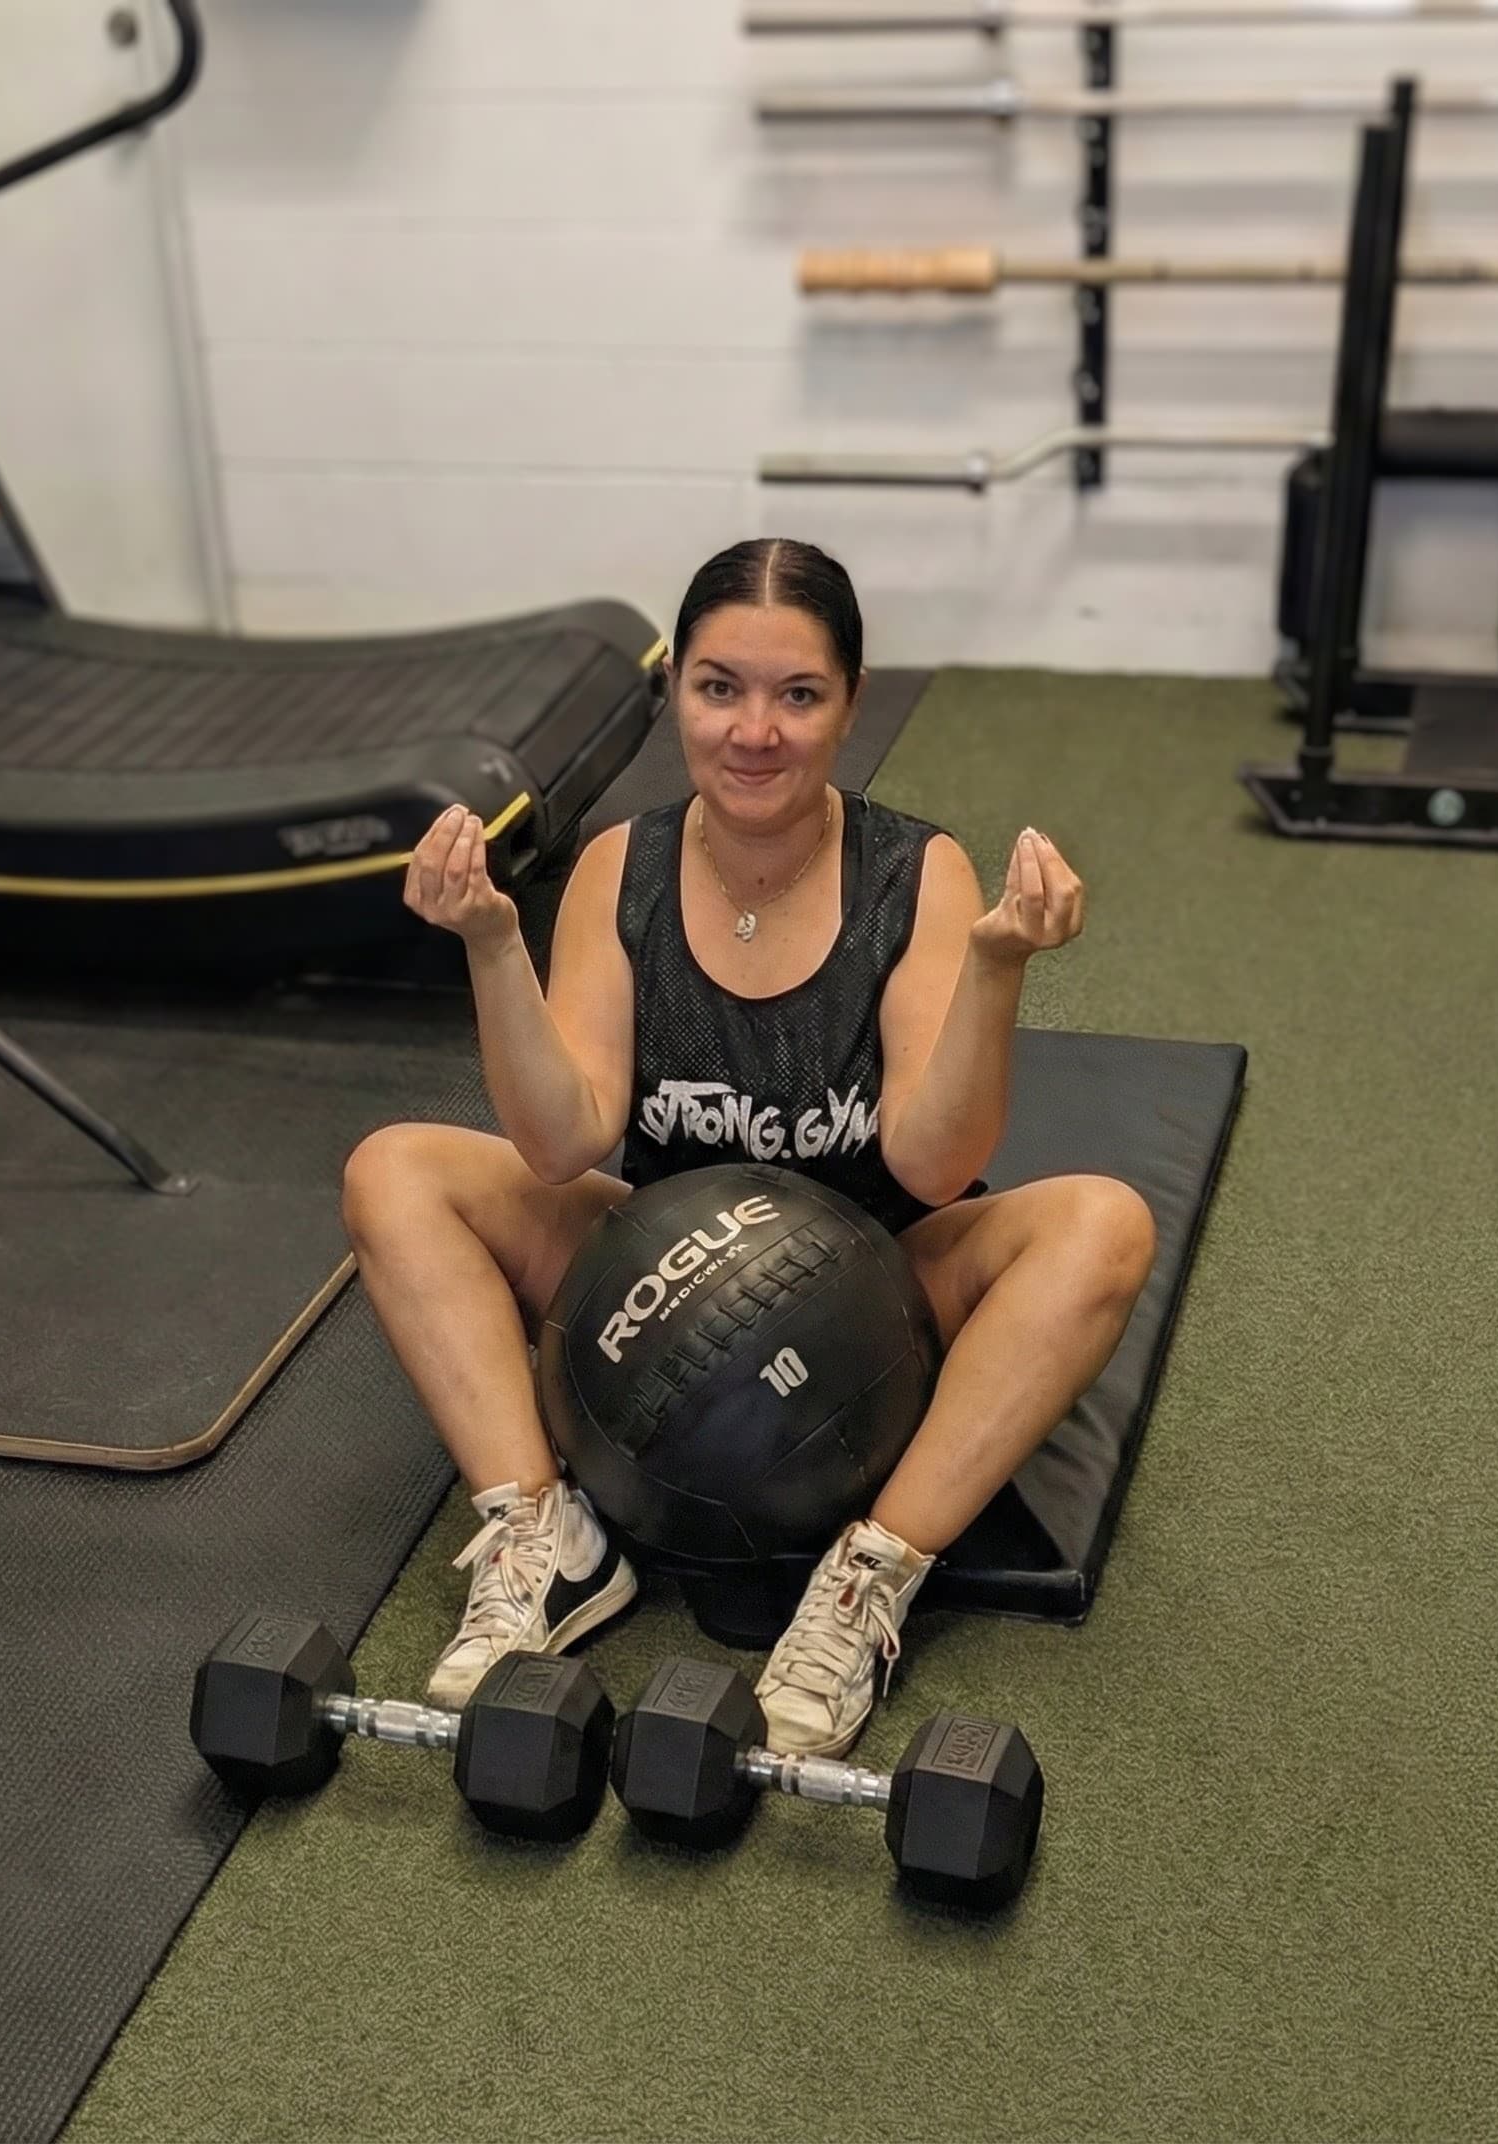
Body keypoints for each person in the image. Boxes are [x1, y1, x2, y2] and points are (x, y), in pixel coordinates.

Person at [341, 538, 1156, 1758]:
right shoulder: (625, 865)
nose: (753, 731)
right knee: (393, 1167)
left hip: (880, 1283)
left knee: (1104, 1223)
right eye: (719, 688)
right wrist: (492, 945)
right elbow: (563, 1141)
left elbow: (935, 1165)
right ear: (677, 689)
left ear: (850, 702)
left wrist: (996, 964)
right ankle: (543, 1536)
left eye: (797, 694)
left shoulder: (910, 871)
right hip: (658, 1276)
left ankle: (865, 1576)